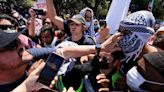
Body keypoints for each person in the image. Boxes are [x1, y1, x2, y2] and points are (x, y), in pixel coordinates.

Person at [0, 29, 122, 91]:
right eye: (11, 46)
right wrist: (27, 86)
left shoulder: (27, 54)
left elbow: (63, 52)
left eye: (17, 41)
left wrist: (99, 47)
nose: (21, 46)